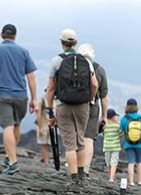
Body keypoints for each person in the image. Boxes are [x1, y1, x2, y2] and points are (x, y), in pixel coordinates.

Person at [45, 29, 98, 186]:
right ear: (75, 43)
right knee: (81, 139)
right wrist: (88, 99)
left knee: (69, 143)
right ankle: (82, 176)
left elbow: (50, 88)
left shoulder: (57, 61)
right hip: (82, 105)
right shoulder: (86, 62)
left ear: (62, 43)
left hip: (63, 105)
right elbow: (94, 84)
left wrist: (49, 109)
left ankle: (73, 178)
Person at [0, 23, 38, 175]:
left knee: (7, 126)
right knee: (17, 124)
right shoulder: (23, 51)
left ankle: (13, 162)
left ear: (2, 35)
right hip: (21, 95)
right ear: (15, 36)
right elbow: (31, 76)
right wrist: (34, 99)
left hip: (3, 94)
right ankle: (9, 156)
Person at [77, 43, 109, 178]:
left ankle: (74, 168)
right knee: (89, 139)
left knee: (77, 137)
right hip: (93, 106)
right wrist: (105, 116)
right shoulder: (100, 70)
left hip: (76, 104)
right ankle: (85, 169)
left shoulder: (74, 67)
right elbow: (104, 96)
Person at [120, 98, 141, 186]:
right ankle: (140, 181)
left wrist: (123, 143)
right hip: (139, 144)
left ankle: (131, 182)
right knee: (139, 162)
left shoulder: (124, 119)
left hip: (128, 143)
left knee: (131, 162)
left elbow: (122, 132)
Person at [102, 108, 122, 183]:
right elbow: (121, 132)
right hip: (115, 147)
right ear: (113, 117)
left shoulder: (104, 126)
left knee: (108, 162)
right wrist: (119, 124)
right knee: (114, 162)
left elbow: (103, 134)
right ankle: (111, 177)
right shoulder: (117, 125)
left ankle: (110, 175)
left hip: (107, 147)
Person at [35, 93, 52, 165]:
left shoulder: (54, 100)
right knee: (43, 144)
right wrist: (40, 127)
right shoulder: (42, 101)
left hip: (51, 125)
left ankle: (48, 160)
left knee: (49, 144)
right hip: (44, 125)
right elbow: (38, 114)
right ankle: (46, 161)